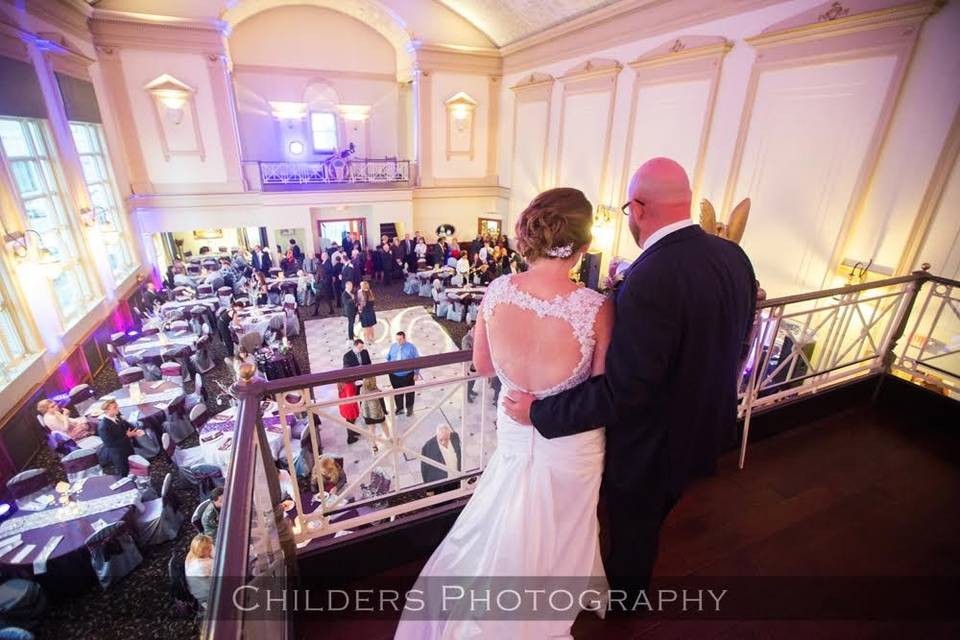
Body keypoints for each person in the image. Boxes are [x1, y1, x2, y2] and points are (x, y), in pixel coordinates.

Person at [505, 158, 757, 603]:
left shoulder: (650, 276)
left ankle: (626, 601)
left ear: (637, 208)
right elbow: (739, 343)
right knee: (656, 515)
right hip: (707, 425)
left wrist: (539, 412)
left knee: (633, 532)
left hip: (653, 446)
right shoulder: (732, 255)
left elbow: (626, 390)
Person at [394, 187, 612, 639]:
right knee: (565, 520)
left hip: (513, 424)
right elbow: (599, 387)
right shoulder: (596, 307)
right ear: (583, 244)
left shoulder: (496, 291)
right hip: (570, 440)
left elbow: (483, 365)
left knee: (504, 511)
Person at [97, 399, 145, 477]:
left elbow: (126, 424)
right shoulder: (103, 427)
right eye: (115, 407)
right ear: (107, 410)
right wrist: (128, 436)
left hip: (127, 447)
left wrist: (136, 430)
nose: (118, 409)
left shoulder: (116, 416)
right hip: (119, 454)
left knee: (133, 465)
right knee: (124, 472)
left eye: (117, 406)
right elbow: (110, 444)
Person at [386, 331, 420, 417]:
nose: (398, 341)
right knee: (397, 393)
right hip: (395, 376)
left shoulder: (411, 347)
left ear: (404, 338)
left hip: (408, 375)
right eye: (397, 339)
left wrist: (416, 373)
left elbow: (417, 361)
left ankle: (409, 409)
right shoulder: (393, 346)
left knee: (409, 393)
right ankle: (400, 408)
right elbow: (388, 358)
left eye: (400, 339)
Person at [184, 534, 214, 609]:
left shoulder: (191, 554)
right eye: (209, 548)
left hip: (196, 590)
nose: (211, 548)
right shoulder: (203, 565)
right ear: (202, 551)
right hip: (206, 597)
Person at [360, 377, 386, 453]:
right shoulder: (376, 391)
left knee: (371, 429)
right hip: (377, 412)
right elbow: (381, 401)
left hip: (367, 413)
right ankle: (389, 439)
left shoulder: (362, 389)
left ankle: (374, 445)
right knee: (384, 425)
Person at [313, 251, 335, 316]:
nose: (322, 256)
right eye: (322, 255)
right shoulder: (322, 263)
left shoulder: (328, 263)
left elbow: (328, 274)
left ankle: (331, 310)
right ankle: (316, 311)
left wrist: (324, 281)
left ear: (326, 256)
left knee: (325, 298)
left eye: (323, 255)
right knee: (319, 298)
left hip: (324, 284)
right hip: (321, 283)